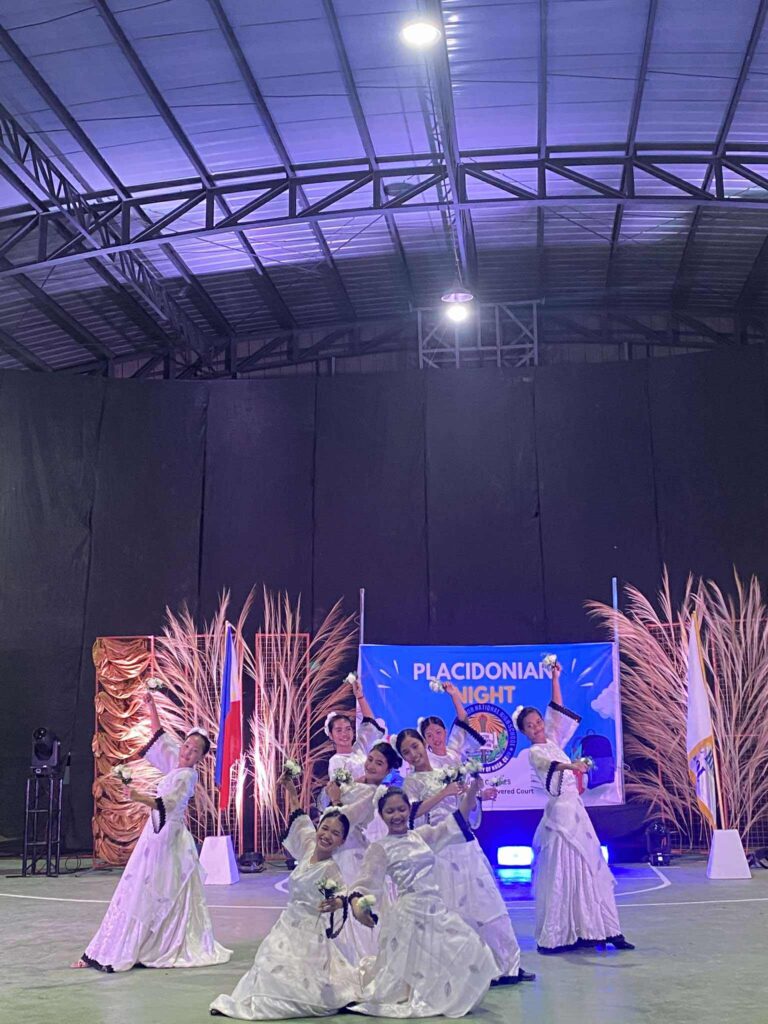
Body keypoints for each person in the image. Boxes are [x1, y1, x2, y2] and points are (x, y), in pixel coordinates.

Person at [71, 690, 231, 972]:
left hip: (170, 840)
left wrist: (137, 796)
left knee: (158, 890)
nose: (187, 752)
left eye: (195, 751)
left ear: (201, 757)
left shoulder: (187, 775)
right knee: (137, 887)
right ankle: (115, 946)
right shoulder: (176, 763)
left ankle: (153, 943)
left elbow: (166, 803)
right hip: (155, 834)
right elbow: (159, 736)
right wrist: (151, 705)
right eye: (187, 746)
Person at [334, 778, 499, 1019]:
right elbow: (364, 883)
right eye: (390, 811)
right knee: (416, 964)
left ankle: (443, 996)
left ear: (408, 810)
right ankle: (424, 996)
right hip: (409, 913)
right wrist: (360, 908)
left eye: (401, 809)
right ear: (381, 815)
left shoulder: (421, 836)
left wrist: (473, 789)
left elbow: (457, 820)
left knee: (471, 946)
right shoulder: (380, 848)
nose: (397, 815)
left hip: (436, 907)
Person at [210, 773, 359, 1019]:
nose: (327, 835)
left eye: (335, 833)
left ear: (341, 841)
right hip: (286, 924)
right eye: (324, 828)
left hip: (310, 931)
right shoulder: (309, 846)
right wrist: (291, 790)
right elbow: (301, 820)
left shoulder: (331, 869)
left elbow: (343, 893)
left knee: (301, 978)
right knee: (269, 962)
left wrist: (337, 902)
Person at [516, 660, 634, 954]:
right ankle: (560, 933)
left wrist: (555, 678)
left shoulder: (553, 738)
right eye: (530, 726)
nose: (536, 727)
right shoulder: (534, 752)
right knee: (563, 871)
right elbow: (551, 765)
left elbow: (556, 710)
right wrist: (572, 765)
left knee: (590, 866)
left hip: (576, 811)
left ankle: (604, 929)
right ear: (525, 732)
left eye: (538, 722)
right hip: (560, 816)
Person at [397, 728, 532, 985]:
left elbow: (464, 808)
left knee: (486, 902)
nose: (413, 754)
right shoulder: (411, 782)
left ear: (424, 743)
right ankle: (471, 968)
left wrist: (473, 791)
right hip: (439, 846)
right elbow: (412, 813)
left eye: (415, 746)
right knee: (454, 907)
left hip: (464, 841)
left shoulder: (448, 769)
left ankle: (506, 964)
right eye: (406, 752)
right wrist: (444, 793)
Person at [324, 741, 403, 960]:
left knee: (349, 899)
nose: (371, 765)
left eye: (379, 763)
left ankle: (357, 956)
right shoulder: (357, 783)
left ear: (387, 771)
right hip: (339, 850)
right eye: (370, 759)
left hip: (351, 853)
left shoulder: (374, 794)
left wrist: (336, 798)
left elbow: (344, 820)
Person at [326, 674, 385, 780]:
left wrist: (360, 697)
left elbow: (369, 723)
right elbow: (343, 787)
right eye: (339, 730)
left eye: (348, 729)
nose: (344, 734)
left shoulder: (360, 749)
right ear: (331, 735)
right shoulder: (335, 761)